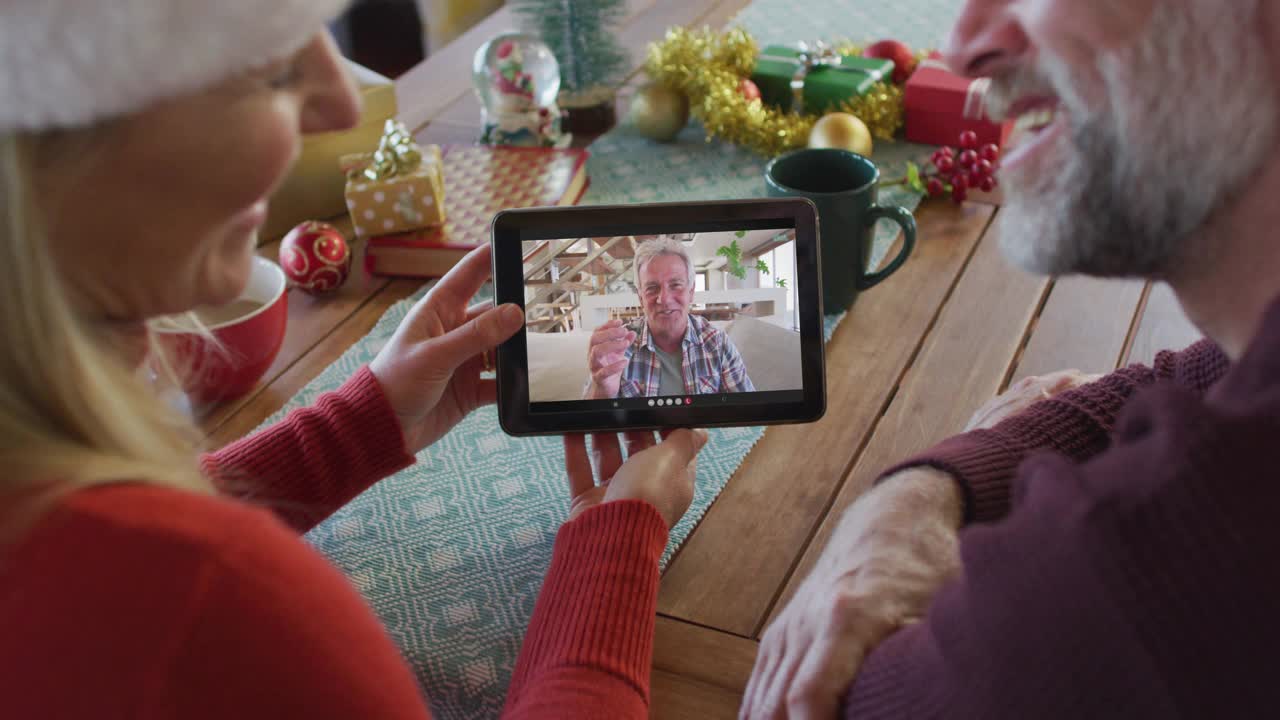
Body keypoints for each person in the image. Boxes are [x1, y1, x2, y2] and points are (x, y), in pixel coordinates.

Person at [0, 2, 706, 718]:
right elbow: (163, 592)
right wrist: (617, 547)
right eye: (271, 65)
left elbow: (123, 586)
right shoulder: (216, 594)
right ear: (50, 141)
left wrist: (351, 430)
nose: (342, 103)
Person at [732, 0, 1280, 716]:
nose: (961, 47)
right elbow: (1205, 376)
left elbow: (832, 698)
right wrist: (921, 494)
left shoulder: (1112, 595)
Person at [585, 236, 754, 399]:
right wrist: (603, 391)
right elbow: (588, 422)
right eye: (652, 288)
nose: (664, 299)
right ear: (640, 298)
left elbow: (750, 415)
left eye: (675, 285)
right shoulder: (618, 347)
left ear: (691, 292)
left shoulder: (718, 344)